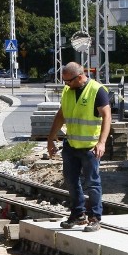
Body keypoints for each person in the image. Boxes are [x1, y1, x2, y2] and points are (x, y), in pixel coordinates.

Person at [46, 62, 112, 232]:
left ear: (80, 77)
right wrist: (51, 138)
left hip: (90, 147)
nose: (66, 84)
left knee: (93, 183)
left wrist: (102, 142)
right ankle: (78, 214)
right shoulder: (68, 91)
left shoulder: (97, 90)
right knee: (71, 180)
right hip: (71, 145)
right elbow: (61, 115)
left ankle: (95, 217)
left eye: (68, 81)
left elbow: (107, 116)